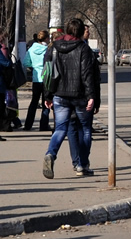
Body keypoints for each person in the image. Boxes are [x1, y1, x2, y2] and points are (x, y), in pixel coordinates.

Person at [43, 18, 100, 179]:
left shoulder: (54, 48)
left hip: (59, 95)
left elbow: (47, 73)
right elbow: (87, 75)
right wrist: (91, 96)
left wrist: (47, 96)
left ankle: (51, 154)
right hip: (80, 96)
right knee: (86, 129)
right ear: (82, 32)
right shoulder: (84, 49)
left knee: (61, 128)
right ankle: (82, 165)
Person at [21, 30, 52, 131]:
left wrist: (34, 66)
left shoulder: (31, 49)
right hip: (46, 78)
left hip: (36, 78)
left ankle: (28, 124)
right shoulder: (48, 49)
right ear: (46, 38)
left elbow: (26, 63)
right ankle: (43, 125)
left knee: (34, 102)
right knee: (46, 102)